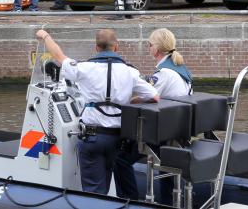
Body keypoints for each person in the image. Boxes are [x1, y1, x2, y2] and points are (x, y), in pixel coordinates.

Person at [35, 28, 159, 195]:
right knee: (110, 187)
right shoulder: (130, 72)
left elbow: (59, 57)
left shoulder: (85, 68)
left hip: (92, 138)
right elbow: (154, 96)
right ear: (116, 47)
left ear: (96, 48)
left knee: (94, 192)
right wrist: (130, 101)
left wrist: (45, 36)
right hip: (117, 139)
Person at [114, 27, 193, 203]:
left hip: (162, 133)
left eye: (149, 45)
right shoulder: (181, 69)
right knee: (166, 170)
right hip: (177, 130)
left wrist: (125, 99)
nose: (148, 48)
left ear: (156, 49)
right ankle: (168, 201)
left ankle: (130, 201)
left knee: (120, 159)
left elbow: (147, 96)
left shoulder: (164, 73)